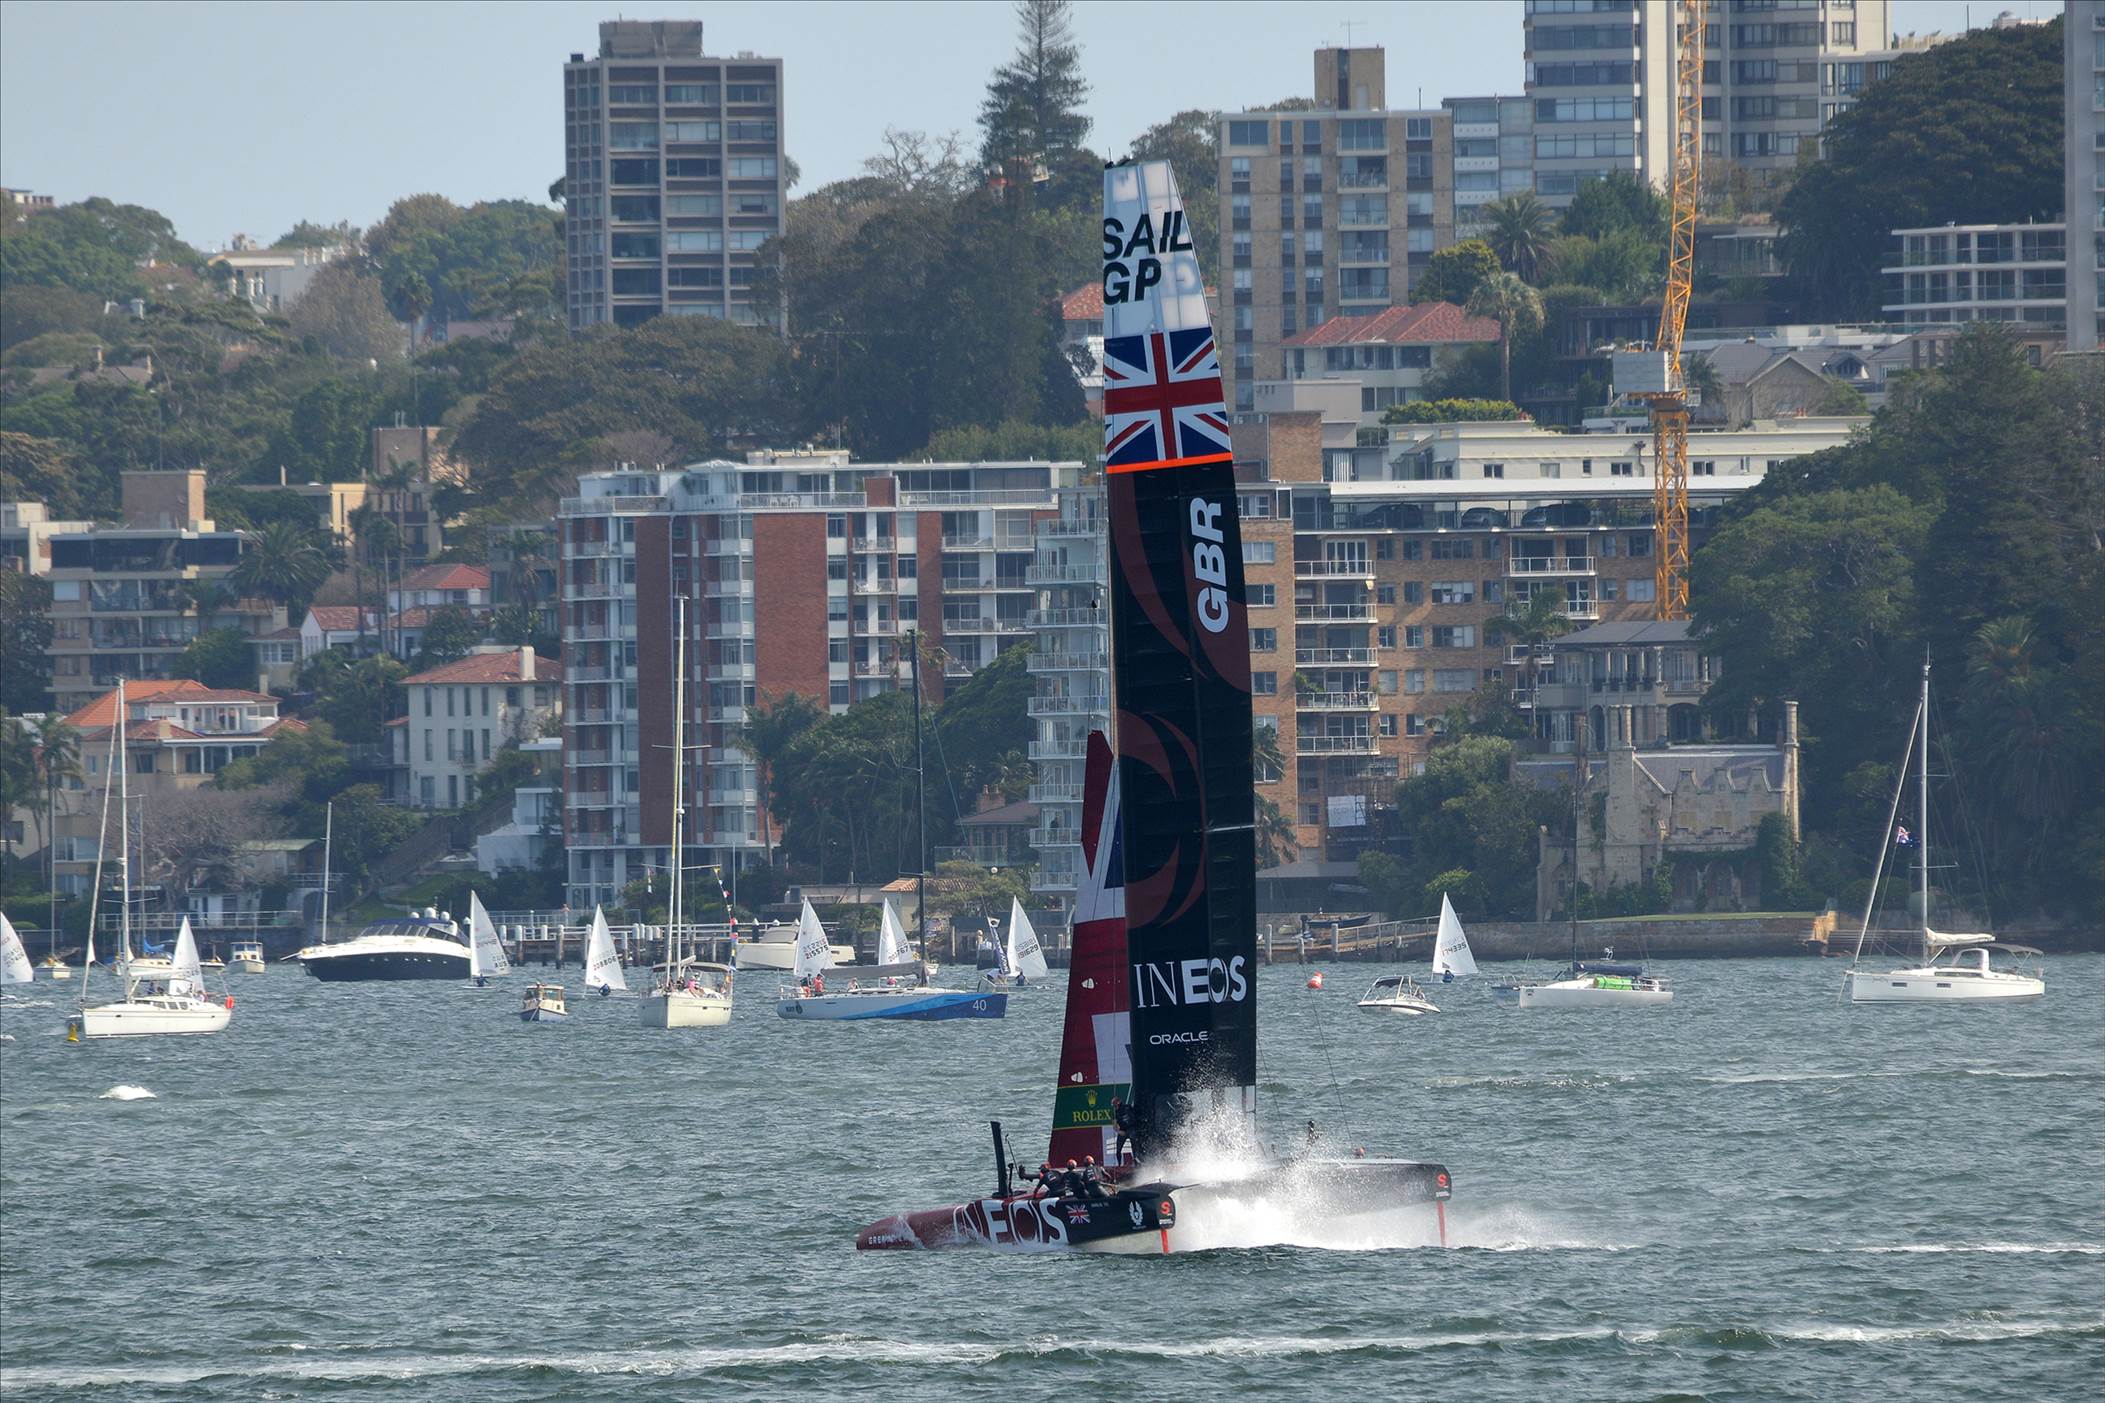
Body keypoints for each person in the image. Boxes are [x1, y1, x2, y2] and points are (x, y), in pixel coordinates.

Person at [1111, 1096, 1136, 1164]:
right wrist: (1119, 1131)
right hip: (1123, 1130)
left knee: (1134, 1147)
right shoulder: (1114, 1113)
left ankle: (1136, 1161)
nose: (1114, 1106)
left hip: (1131, 1129)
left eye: (1115, 1104)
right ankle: (1119, 1164)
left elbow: (1135, 1116)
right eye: (1113, 1105)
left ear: (1118, 1102)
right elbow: (1114, 1126)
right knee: (1118, 1149)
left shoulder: (1128, 1107)